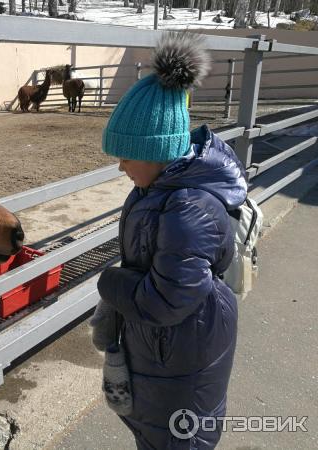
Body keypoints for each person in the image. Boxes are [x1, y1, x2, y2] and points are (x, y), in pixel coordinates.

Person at [92, 32, 248, 449]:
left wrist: (109, 284)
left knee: (178, 435)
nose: (120, 167)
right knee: (157, 431)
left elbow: (167, 299)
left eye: (126, 156)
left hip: (182, 351)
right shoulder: (156, 190)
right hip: (166, 349)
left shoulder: (188, 208)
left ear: (159, 150)